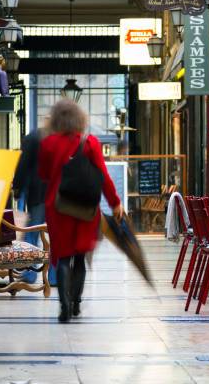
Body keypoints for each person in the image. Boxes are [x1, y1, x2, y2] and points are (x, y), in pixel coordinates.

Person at [39, 99, 123, 322]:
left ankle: (63, 305)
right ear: (80, 119)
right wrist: (115, 202)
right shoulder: (90, 142)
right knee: (80, 256)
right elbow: (103, 176)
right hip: (85, 208)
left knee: (63, 257)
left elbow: (44, 175)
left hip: (58, 207)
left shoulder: (48, 144)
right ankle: (76, 303)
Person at [12, 119, 55, 285]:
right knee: (56, 237)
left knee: (32, 234)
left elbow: (23, 166)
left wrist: (17, 188)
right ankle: (54, 277)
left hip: (37, 195)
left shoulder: (32, 138)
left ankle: (30, 274)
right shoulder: (59, 139)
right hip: (56, 196)